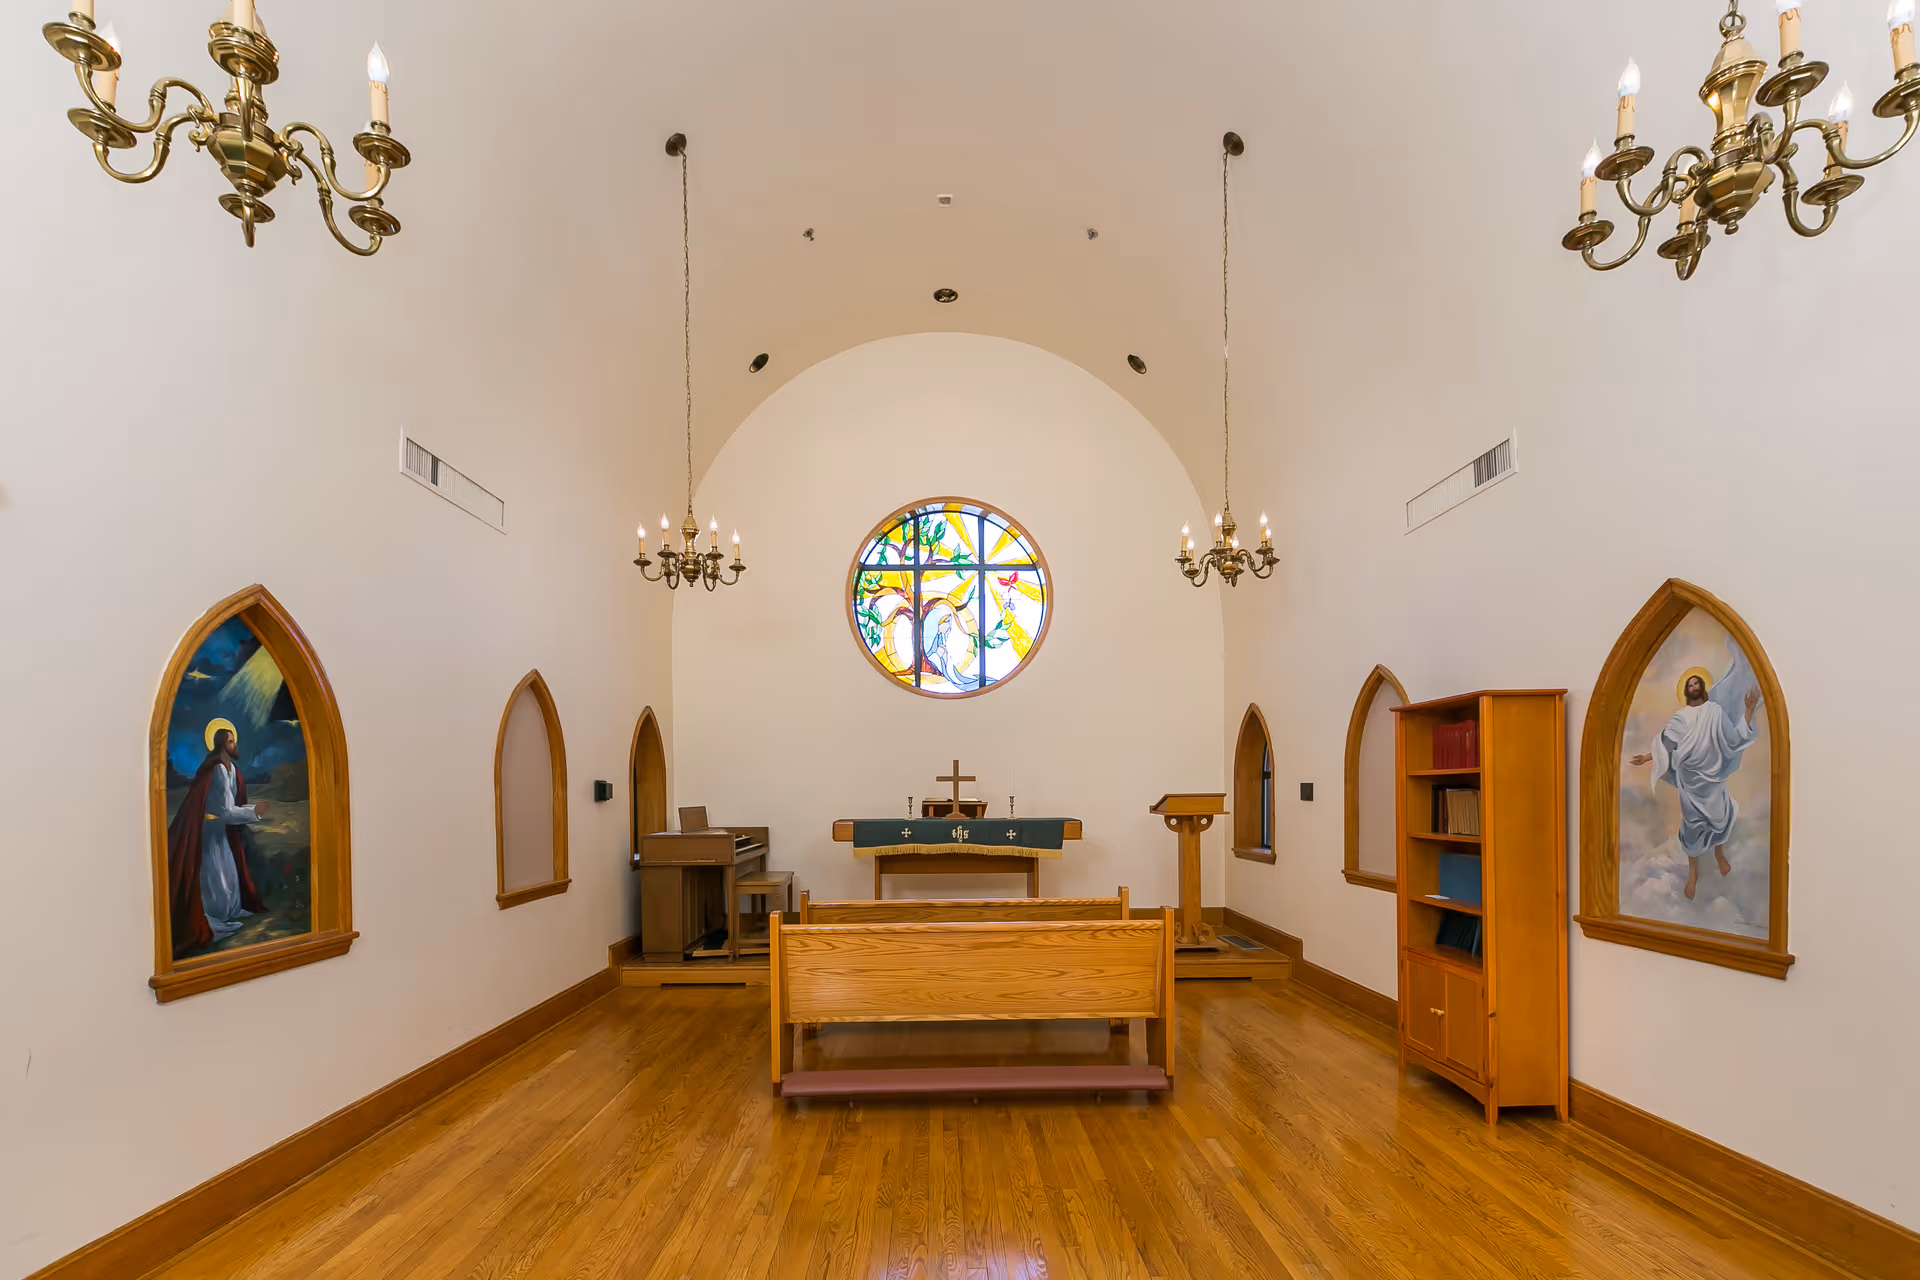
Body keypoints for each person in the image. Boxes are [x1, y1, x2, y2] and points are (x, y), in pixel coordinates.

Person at [1627, 664, 1761, 901]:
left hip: (1712, 780)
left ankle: (1719, 856)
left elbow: (1734, 737)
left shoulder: (1715, 712)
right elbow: (1667, 746)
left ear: (1703, 688)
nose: (1694, 687)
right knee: (1692, 830)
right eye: (1690, 685)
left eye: (1697, 683)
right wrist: (1647, 757)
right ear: (1686, 692)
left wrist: (1748, 711)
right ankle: (1692, 876)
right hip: (1690, 783)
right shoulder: (1679, 718)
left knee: (1720, 820)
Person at [164, 722, 270, 956]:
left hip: (221, 830)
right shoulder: (217, 769)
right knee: (216, 878)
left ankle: (230, 912)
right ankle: (216, 917)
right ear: (222, 743)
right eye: (231, 741)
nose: (235, 745)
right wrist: (254, 812)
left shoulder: (230, 767)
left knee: (229, 874)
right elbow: (225, 810)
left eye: (234, 740)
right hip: (210, 830)